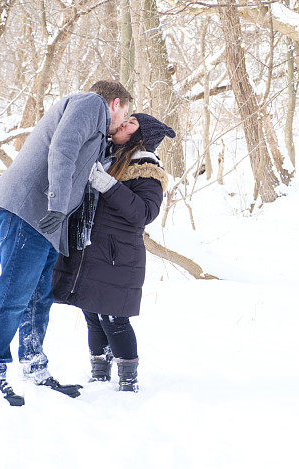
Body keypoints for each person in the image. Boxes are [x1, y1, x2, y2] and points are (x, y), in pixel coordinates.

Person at [0, 81, 133, 406]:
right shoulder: (92, 104)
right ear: (115, 103)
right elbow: (62, 149)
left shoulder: (98, 130)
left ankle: (34, 363)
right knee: (16, 289)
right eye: (125, 114)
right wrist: (59, 206)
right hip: (30, 207)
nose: (122, 122)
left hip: (45, 218)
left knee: (38, 295)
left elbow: (82, 163)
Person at [52, 113, 176, 393]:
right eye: (125, 120)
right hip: (89, 249)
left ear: (141, 135)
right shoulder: (105, 158)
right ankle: (98, 375)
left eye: (131, 123)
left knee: (114, 318)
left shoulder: (146, 167)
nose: (122, 124)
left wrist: (107, 185)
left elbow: (144, 213)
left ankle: (128, 383)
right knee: (91, 313)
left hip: (116, 255)